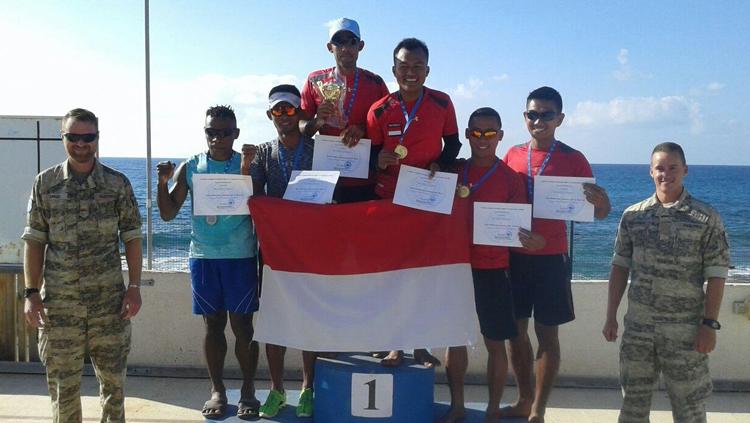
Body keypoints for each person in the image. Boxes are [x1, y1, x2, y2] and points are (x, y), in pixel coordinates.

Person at [22, 108, 143, 423]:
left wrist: (134, 289)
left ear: (97, 139)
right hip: (60, 307)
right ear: (62, 138)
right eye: (73, 137)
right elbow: (34, 242)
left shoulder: (117, 184)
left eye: (87, 137)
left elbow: (131, 238)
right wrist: (31, 293)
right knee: (63, 390)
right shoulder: (45, 184)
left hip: (110, 306)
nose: (80, 144)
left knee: (114, 387)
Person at [502, 86, 611, 423]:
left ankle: (538, 410)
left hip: (552, 259)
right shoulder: (512, 154)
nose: (539, 120)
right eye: (532, 114)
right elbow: (499, 203)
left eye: (547, 114)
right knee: (514, 332)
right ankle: (523, 399)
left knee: (547, 334)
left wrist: (602, 200)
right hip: (515, 257)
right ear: (524, 117)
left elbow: (598, 214)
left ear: (559, 118)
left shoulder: (574, 158)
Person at [602, 142, 730, 423]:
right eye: (660, 168)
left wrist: (709, 324)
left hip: (685, 333)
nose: (666, 174)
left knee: (690, 410)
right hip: (639, 331)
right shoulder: (633, 216)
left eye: (673, 167)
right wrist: (611, 316)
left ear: (685, 170)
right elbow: (620, 267)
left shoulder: (706, 218)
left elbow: (717, 274)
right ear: (650, 172)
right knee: (633, 409)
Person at [156, 105, 260, 419]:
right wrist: (162, 183)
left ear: (236, 134)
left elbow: (261, 207)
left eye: (224, 132)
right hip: (203, 256)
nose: (217, 138)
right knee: (212, 325)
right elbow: (168, 212)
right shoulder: (191, 166)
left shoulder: (247, 164)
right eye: (211, 132)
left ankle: (248, 390)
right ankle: (217, 390)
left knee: (243, 328)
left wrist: (247, 171)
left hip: (240, 256)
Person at [440, 107, 540, 423]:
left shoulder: (512, 179)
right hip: (455, 266)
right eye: (476, 133)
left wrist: (529, 238)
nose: (483, 140)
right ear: (468, 134)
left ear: (500, 136)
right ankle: (457, 407)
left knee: (495, 343)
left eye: (490, 134)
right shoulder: (452, 171)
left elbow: (518, 225)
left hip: (494, 269)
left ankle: (492, 409)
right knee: (455, 340)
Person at [366, 37, 461, 367]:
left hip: (426, 200)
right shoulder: (378, 110)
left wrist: (443, 164)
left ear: (427, 70)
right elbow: (370, 156)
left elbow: (452, 144)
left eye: (417, 67)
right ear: (394, 70)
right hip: (390, 202)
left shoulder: (442, 103)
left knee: (422, 274)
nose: (411, 72)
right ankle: (394, 343)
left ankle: (420, 344)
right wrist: (378, 160)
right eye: (404, 66)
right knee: (393, 274)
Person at [241, 84, 317, 418]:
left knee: (310, 319)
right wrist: (245, 168)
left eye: (289, 110)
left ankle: (308, 388)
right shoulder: (263, 153)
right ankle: (276, 390)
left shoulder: (318, 149)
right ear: (270, 116)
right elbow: (253, 196)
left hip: (312, 250)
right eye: (277, 111)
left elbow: (336, 189)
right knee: (273, 320)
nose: (283, 116)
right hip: (272, 251)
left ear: (299, 112)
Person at [299, 17, 389, 203]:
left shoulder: (376, 83)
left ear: (361, 45)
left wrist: (364, 128)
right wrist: (317, 121)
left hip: (365, 178)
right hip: (326, 178)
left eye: (352, 42)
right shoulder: (315, 80)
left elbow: (387, 128)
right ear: (329, 47)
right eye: (339, 42)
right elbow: (301, 127)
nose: (345, 48)